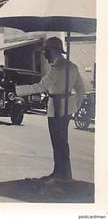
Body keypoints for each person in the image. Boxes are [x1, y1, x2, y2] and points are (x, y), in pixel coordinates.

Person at [16, 37, 85, 181]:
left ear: (53, 51)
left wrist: (17, 90)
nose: (45, 55)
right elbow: (80, 89)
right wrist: (75, 106)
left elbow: (41, 87)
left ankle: (61, 173)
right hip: (67, 108)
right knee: (62, 141)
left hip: (56, 108)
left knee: (57, 141)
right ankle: (63, 172)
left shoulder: (56, 69)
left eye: (46, 51)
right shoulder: (72, 67)